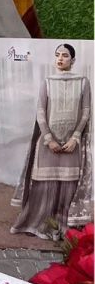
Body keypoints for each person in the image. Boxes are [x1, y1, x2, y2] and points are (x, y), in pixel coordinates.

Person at [11, 43, 92, 239]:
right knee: (43, 185)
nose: (60, 58)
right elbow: (40, 112)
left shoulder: (83, 82)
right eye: (57, 55)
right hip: (48, 144)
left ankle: (63, 225)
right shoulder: (47, 82)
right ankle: (38, 222)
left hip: (72, 144)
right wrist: (49, 139)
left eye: (65, 55)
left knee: (69, 183)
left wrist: (75, 138)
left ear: (73, 60)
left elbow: (85, 112)